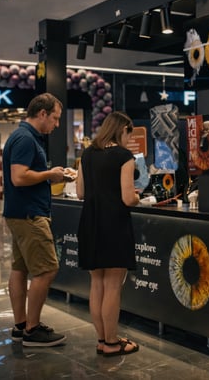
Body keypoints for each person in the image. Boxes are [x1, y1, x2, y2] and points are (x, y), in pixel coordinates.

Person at [2, 93, 68, 347]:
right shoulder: (26, 139)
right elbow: (19, 177)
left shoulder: (21, 136)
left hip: (19, 212)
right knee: (47, 269)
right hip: (30, 214)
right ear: (42, 113)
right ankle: (32, 329)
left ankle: (21, 325)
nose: (57, 124)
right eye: (55, 118)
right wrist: (50, 175)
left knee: (19, 269)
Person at [75, 112, 140, 356]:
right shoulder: (124, 156)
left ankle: (102, 339)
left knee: (97, 283)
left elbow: (80, 192)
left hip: (90, 223)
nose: (129, 140)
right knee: (113, 285)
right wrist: (138, 197)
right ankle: (112, 343)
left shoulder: (87, 154)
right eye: (129, 135)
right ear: (122, 130)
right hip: (114, 224)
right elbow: (128, 198)